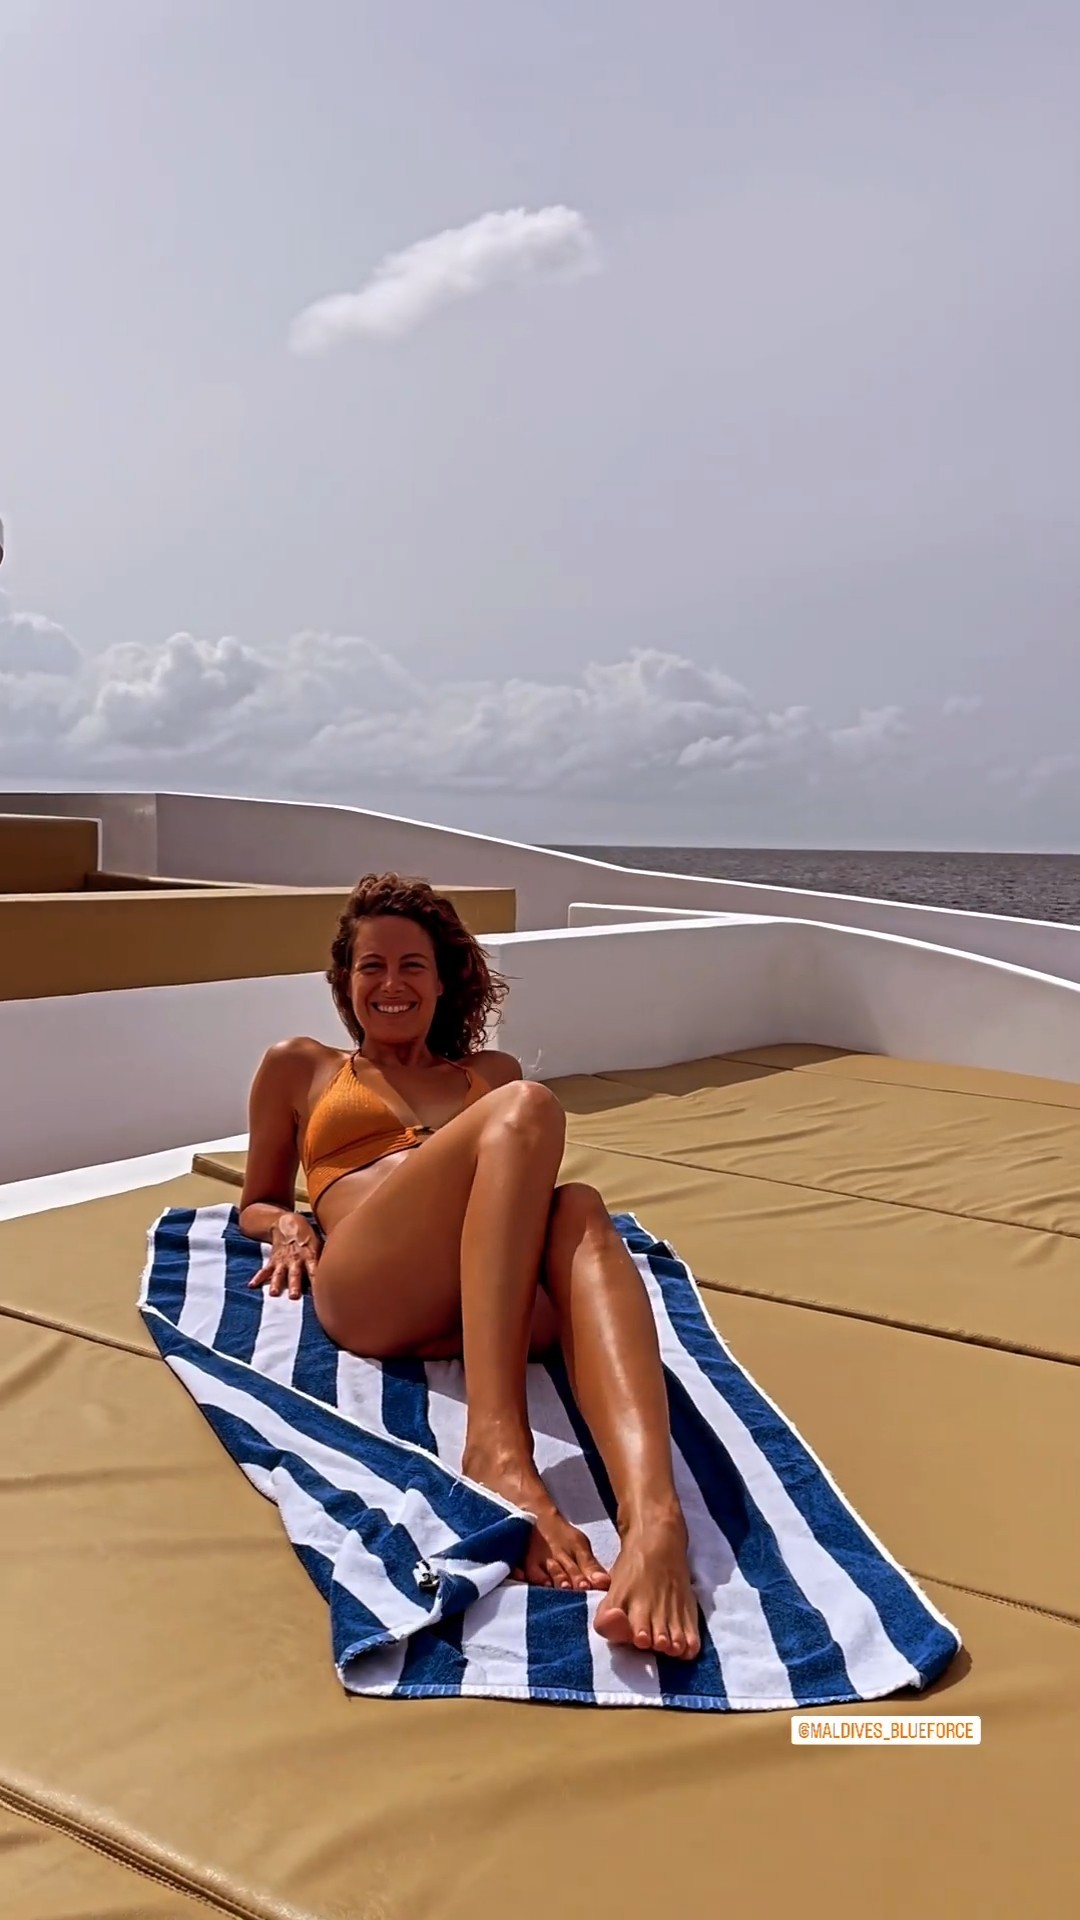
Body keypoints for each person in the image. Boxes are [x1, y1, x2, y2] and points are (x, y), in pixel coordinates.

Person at [239, 873, 700, 1661]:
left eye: (412, 965)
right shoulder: (302, 1066)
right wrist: (286, 1224)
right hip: (376, 1291)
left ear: (442, 980)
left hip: (491, 1299)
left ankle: (655, 1521)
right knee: (532, 1108)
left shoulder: (489, 1074)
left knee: (580, 1205)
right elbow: (256, 1199)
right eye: (372, 966)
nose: (391, 983)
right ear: (346, 981)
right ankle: (498, 1447)